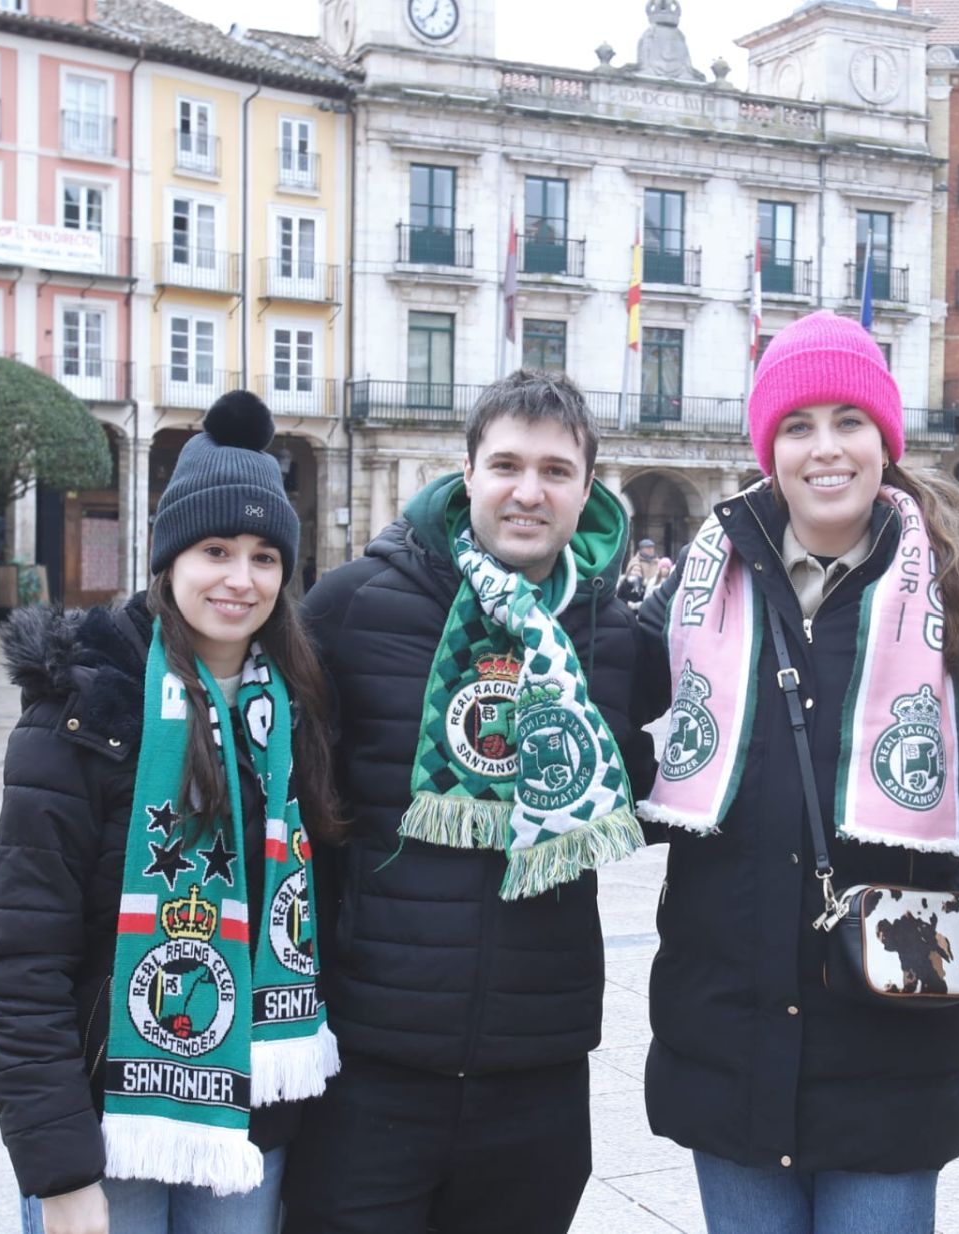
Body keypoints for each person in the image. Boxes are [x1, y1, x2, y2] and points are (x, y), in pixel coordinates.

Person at [632, 311, 959, 1234]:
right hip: (729, 1035)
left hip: (894, 1046)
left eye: (849, 421)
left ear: (884, 441)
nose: (826, 449)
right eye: (797, 425)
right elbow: (596, 732)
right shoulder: (699, 586)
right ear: (768, 447)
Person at [0, 391, 344, 1234]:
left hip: (249, 1123)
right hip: (107, 1125)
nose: (240, 580)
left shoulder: (293, 714)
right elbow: (20, 962)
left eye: (264, 556)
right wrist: (60, 1172)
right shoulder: (82, 711)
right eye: (214, 549)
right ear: (168, 559)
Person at [285, 370, 654, 1234]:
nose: (529, 492)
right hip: (373, 1061)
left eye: (557, 472)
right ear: (466, 472)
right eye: (507, 466)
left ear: (587, 488)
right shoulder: (353, 606)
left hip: (538, 1066)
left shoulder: (616, 636)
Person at [618, 537, 663, 604]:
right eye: (648, 548)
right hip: (639, 594)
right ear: (642, 549)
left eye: (652, 548)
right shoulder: (635, 561)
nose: (651, 550)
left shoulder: (658, 562)